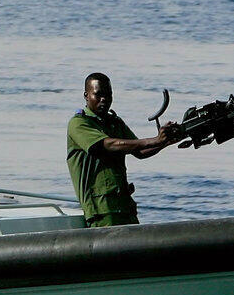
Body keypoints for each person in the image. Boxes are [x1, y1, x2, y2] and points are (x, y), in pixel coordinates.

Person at [66, 72, 179, 227]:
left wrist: (167, 140)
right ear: (86, 95)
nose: (104, 99)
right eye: (98, 95)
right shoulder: (79, 123)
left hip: (125, 207)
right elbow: (108, 144)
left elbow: (139, 151)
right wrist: (154, 140)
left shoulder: (114, 122)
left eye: (108, 95)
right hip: (102, 210)